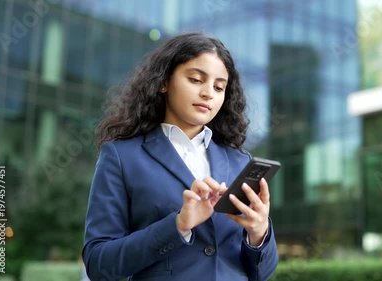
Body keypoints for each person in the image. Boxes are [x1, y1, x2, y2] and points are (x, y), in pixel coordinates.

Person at [82, 32, 278, 281]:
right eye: (196, 80)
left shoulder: (239, 161)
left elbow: (263, 272)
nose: (208, 93)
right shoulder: (122, 156)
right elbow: (99, 263)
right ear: (164, 81)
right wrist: (178, 224)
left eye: (219, 87)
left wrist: (259, 232)